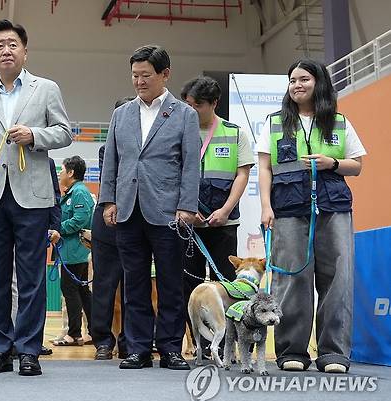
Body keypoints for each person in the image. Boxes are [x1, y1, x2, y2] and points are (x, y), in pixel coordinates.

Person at [0, 19, 72, 376]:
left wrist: (34, 135)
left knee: (32, 278)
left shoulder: (46, 89)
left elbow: (65, 132)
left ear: (25, 51)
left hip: (33, 197)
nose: (6, 50)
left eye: (13, 44)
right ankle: (0, 348)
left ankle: (29, 350)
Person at [258, 58, 365, 374]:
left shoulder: (340, 122)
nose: (297, 85)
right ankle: (292, 351)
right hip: (289, 210)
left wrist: (331, 163)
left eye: (303, 79)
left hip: (333, 209)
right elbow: (264, 168)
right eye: (292, 80)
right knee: (292, 280)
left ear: (319, 82)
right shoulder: (275, 122)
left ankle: (333, 353)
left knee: (337, 279)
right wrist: (266, 206)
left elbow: (357, 165)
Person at [99, 45, 200, 371]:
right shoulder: (121, 114)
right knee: (134, 283)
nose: (139, 82)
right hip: (128, 210)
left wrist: (186, 206)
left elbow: (190, 167)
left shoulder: (184, 114)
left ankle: (170, 348)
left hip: (168, 212)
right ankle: (138, 348)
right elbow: (111, 162)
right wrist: (109, 200)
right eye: (135, 75)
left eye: (146, 75)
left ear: (164, 74)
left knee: (171, 283)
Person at [179, 76, 255, 357]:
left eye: (198, 105)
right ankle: (198, 345)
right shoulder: (178, 132)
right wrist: (187, 209)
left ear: (214, 103)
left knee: (227, 285)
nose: (191, 110)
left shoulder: (235, 133)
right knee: (191, 284)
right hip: (190, 224)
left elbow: (242, 174)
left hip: (224, 222)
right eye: (188, 104)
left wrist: (224, 210)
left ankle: (225, 346)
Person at [91, 97, 133, 361]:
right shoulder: (108, 149)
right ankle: (103, 341)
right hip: (107, 224)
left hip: (135, 224)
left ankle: (130, 341)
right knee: (104, 286)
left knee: (134, 287)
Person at [52, 156, 95, 347]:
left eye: (62, 170)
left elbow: (81, 220)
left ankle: (75, 334)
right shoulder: (72, 192)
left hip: (76, 250)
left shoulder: (79, 193)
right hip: (71, 249)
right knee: (81, 290)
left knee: (70, 289)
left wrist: (58, 228)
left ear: (70, 173)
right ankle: (92, 331)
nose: (60, 174)